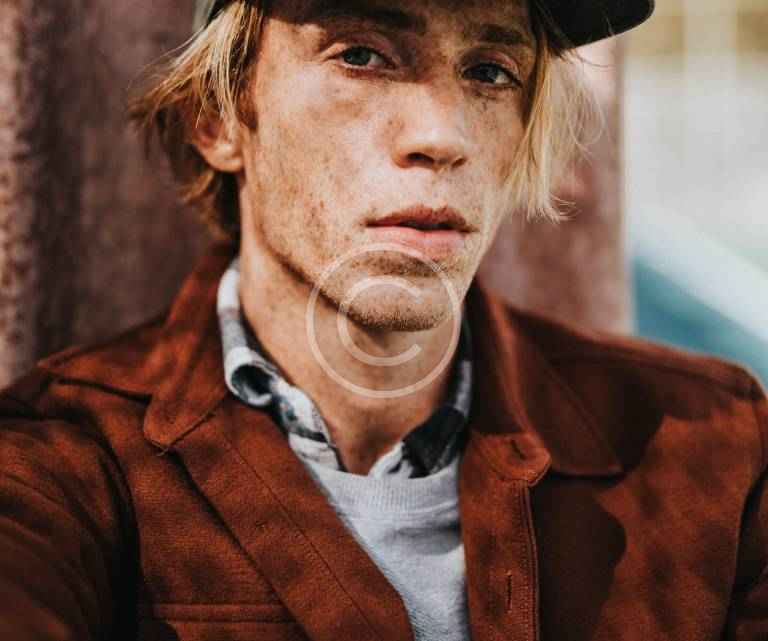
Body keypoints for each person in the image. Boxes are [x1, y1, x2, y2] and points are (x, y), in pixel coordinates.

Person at [0, 0, 766, 639]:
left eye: (490, 72)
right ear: (219, 116)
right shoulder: (62, 459)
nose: (442, 136)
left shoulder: (714, 449)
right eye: (361, 56)